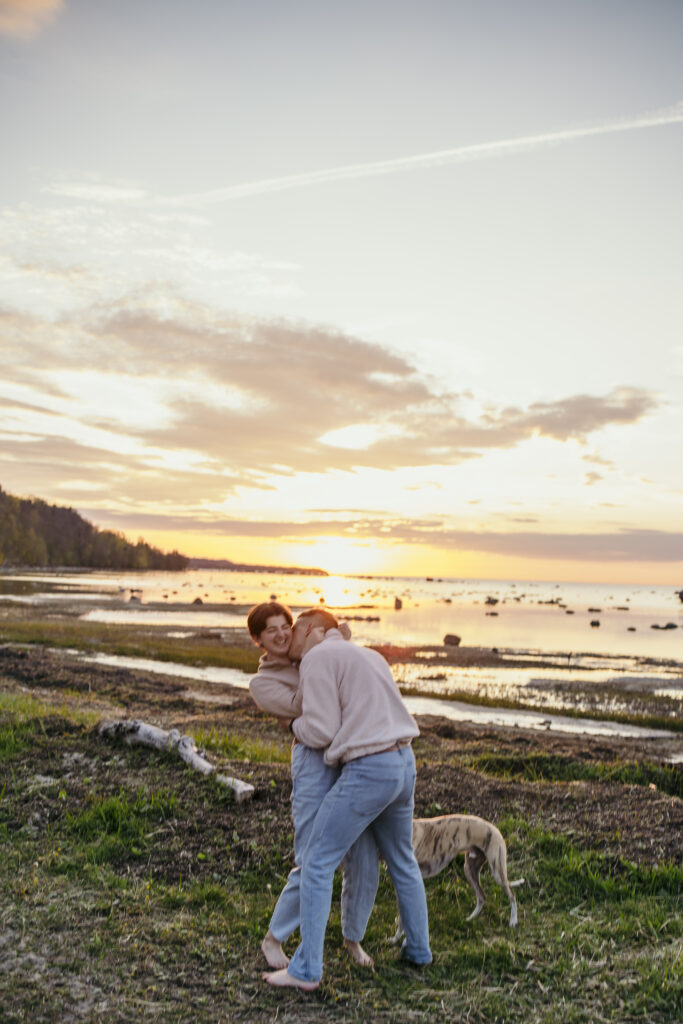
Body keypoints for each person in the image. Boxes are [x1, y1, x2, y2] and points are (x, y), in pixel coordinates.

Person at [263, 608, 432, 990]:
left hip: (369, 768)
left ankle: (305, 970)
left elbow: (321, 730)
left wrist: (293, 725)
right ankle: (419, 951)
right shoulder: (370, 655)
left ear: (309, 629)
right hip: (404, 761)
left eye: (295, 630)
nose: (292, 638)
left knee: (318, 862)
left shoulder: (318, 657)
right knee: (402, 861)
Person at [247, 602, 378, 970]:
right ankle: (274, 937)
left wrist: (325, 646)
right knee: (312, 856)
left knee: (363, 855)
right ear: (258, 639)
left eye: (285, 625)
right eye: (270, 630)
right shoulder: (264, 683)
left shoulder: (308, 655)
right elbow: (301, 708)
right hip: (312, 763)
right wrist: (318, 656)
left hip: (349, 754)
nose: (281, 633)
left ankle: (353, 937)